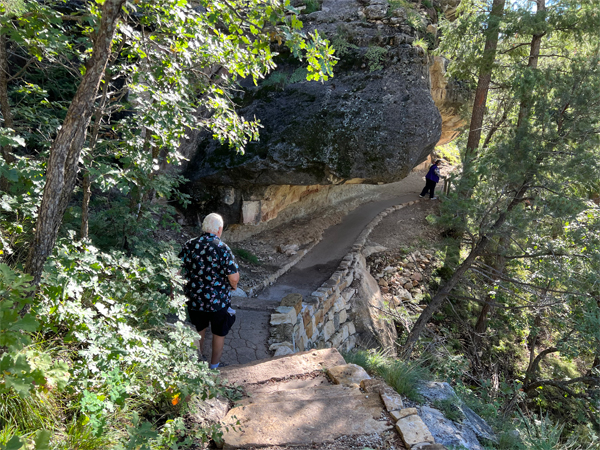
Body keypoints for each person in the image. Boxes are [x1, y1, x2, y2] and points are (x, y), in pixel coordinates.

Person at [178, 213, 240, 369]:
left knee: (199, 330)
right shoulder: (221, 247)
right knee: (219, 332)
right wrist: (233, 286)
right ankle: (214, 366)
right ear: (219, 229)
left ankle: (198, 364)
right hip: (218, 300)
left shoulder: (189, 245)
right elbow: (234, 276)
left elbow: (176, 270)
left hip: (194, 297)